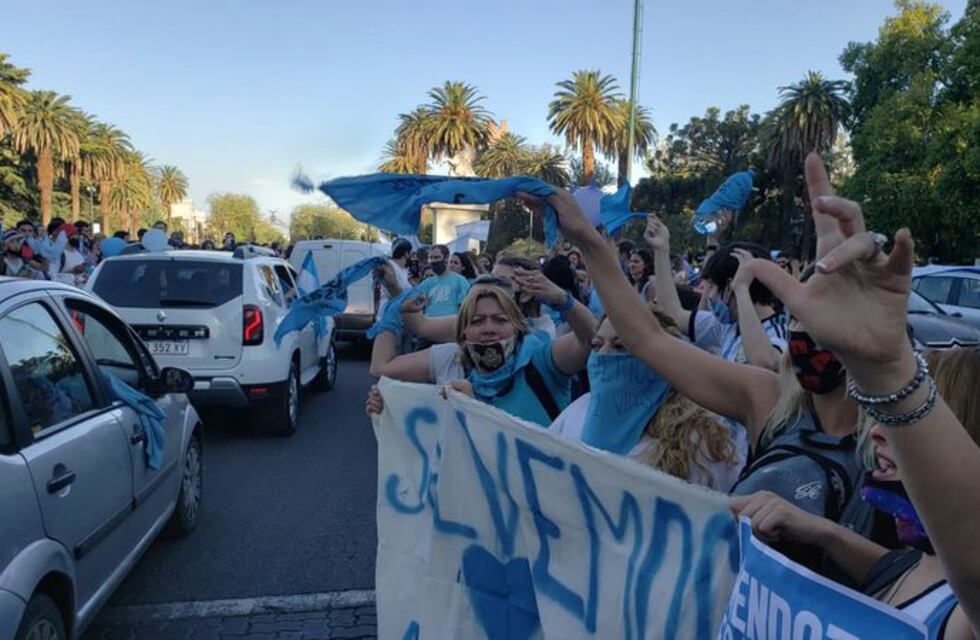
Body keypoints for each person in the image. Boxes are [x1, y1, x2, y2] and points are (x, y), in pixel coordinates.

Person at [516, 155, 871, 567]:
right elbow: (647, 337)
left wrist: (827, 536)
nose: (812, 335)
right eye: (802, 319)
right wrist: (589, 241)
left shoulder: (895, 432)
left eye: (832, 321)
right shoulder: (767, 401)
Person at [733, 347, 980, 639]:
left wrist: (889, 356)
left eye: (907, 419)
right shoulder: (923, 559)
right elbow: (891, 567)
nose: (875, 431)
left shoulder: (965, 612)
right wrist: (821, 531)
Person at [549, 309, 741, 490]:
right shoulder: (578, 410)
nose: (604, 355)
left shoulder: (701, 439)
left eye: (620, 346)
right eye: (597, 345)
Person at [369, 279, 592, 427]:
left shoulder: (542, 361)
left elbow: (591, 342)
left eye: (500, 320)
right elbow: (382, 369)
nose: (489, 329)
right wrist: (389, 406)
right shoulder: (454, 360)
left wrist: (564, 301)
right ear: (463, 332)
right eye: (477, 322)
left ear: (517, 326)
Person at [646, 214, 788, 371]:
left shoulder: (779, 331)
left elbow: (765, 363)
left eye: (712, 286)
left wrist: (741, 289)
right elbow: (672, 315)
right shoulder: (729, 326)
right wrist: (661, 249)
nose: (710, 296)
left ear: (729, 287)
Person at [415, 244, 470, 318]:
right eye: (431, 258)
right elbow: (417, 306)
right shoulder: (426, 283)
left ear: (446, 258)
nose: (433, 261)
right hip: (429, 325)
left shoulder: (460, 281)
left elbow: (464, 309)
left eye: (437, 257)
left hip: (451, 325)